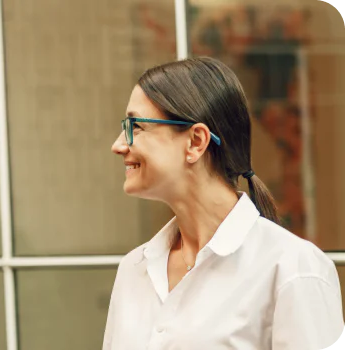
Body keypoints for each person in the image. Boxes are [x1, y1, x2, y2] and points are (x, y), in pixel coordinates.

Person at [104, 57, 345, 349]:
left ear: (196, 142)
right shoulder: (133, 270)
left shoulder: (294, 269)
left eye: (136, 126)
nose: (118, 145)